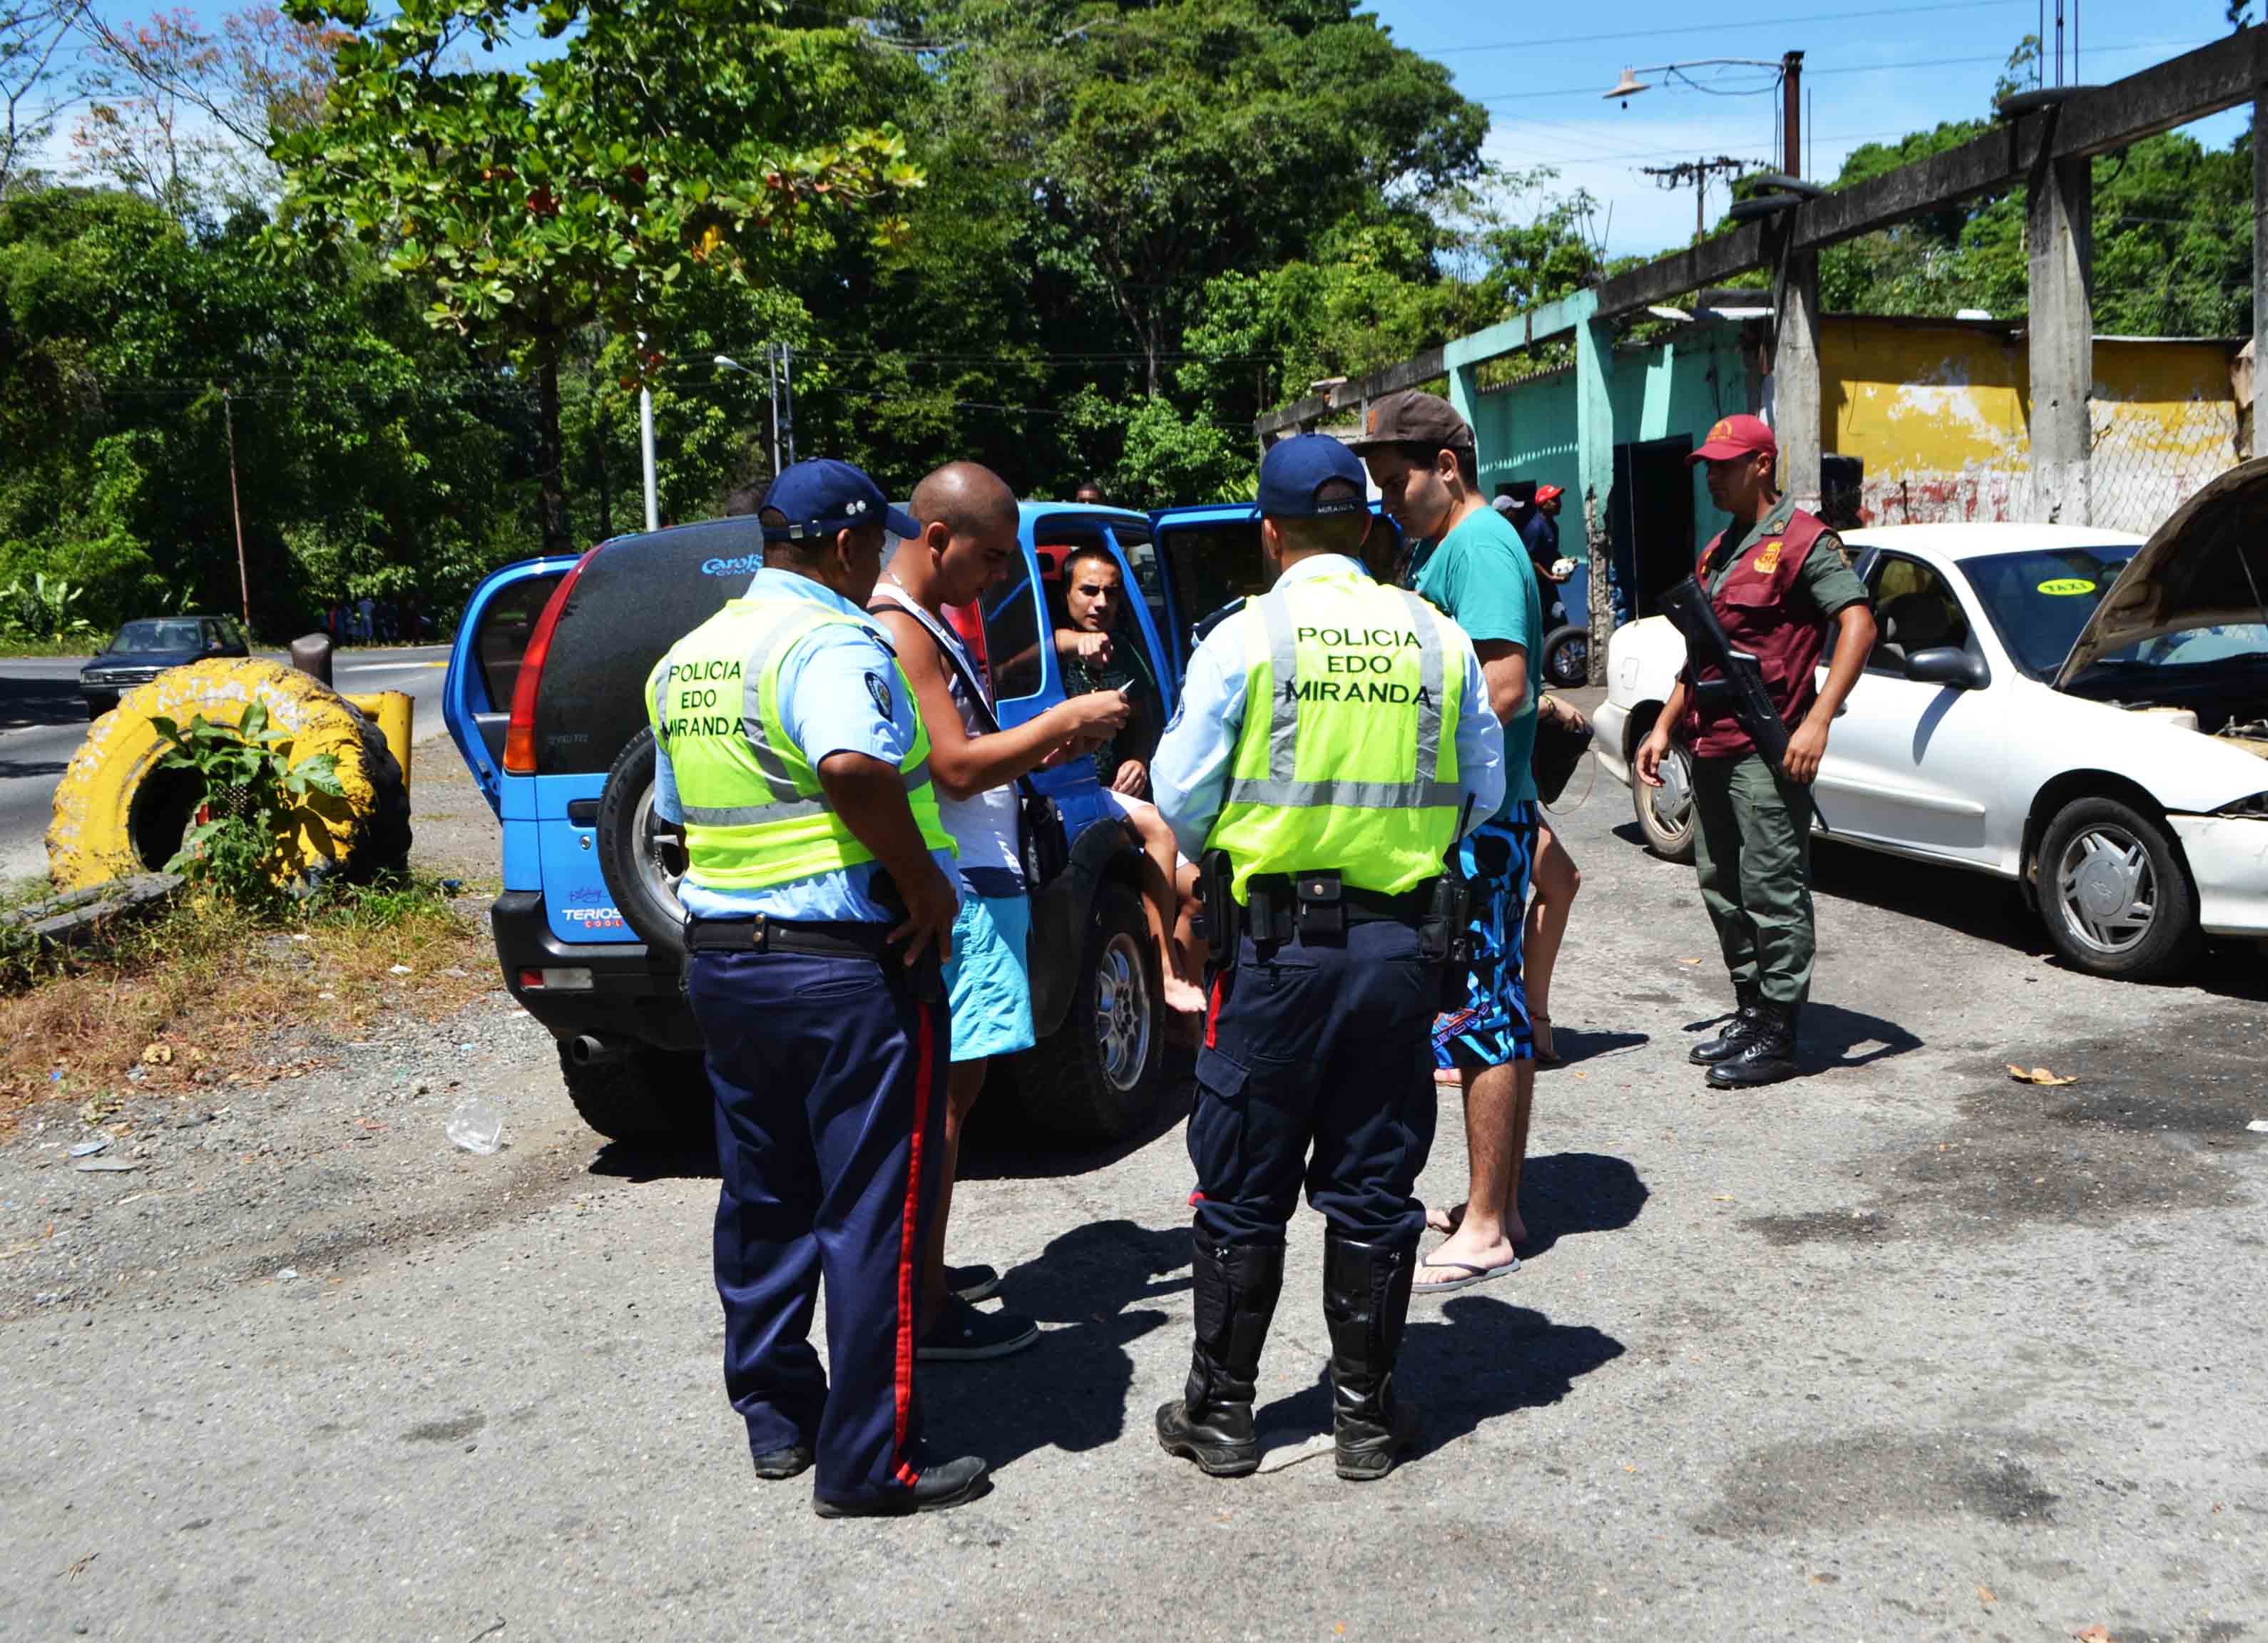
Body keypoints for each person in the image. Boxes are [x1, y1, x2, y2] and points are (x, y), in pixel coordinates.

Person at [1150, 434, 1504, 1482]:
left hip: (1272, 959)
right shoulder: (1437, 639)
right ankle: (1364, 1419)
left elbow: (1180, 797)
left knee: (1244, 1182)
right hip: (1399, 953)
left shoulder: (1247, 640)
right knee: (1372, 1180)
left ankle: (1222, 1415)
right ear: (1362, 527)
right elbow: (1480, 791)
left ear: (1269, 533)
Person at [645, 457, 988, 1518]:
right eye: (873, 542)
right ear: (843, 546)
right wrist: (923, 881)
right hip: (843, 970)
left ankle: (778, 1415)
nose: (879, 557)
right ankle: (869, 1462)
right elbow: (850, 765)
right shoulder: (833, 640)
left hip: (726, 961)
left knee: (764, 1193)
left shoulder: (688, 658)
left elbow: (675, 812)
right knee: (870, 1208)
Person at [869, 464, 1133, 1362]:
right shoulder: (902, 628)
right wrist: (1065, 722)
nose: (997, 578)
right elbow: (953, 765)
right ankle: (925, 1304)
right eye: (988, 558)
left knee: (958, 1092)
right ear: (936, 538)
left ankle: (928, 1275)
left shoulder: (930, 620)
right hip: (962, 887)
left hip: (981, 879)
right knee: (942, 1101)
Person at [1351, 389, 1543, 1292]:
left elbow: (1501, 689)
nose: (1388, 503)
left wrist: (1409, 775)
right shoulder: (1447, 549)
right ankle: (1488, 1201)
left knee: (1482, 1016)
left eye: (1396, 485)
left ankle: (1491, 1225)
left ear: (1447, 469)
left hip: (1481, 826)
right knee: (1482, 1010)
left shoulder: (1478, 548)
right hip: (1473, 821)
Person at [1635, 414, 1876, 1087]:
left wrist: (1819, 719)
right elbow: (1703, 655)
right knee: (1723, 886)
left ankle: (1781, 1032)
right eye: (1707, 465)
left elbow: (1858, 622)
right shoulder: (1719, 550)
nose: (1711, 475)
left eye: (1724, 464)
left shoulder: (1803, 541)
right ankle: (1751, 1008)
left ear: (1762, 465)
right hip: (1711, 742)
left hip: (1767, 750)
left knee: (1773, 889)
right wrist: (1663, 728)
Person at [1053, 544, 1207, 1012]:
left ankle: (1182, 1019)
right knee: (1160, 828)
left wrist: (1139, 758)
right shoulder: (1043, 649)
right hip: (1071, 797)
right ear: (1065, 594)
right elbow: (1015, 659)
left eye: (1112, 594)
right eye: (1089, 591)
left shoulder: (1126, 654)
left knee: (1202, 893)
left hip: (1118, 798)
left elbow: (1146, 717)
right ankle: (1163, 970)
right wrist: (1070, 642)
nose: (1101, 603)